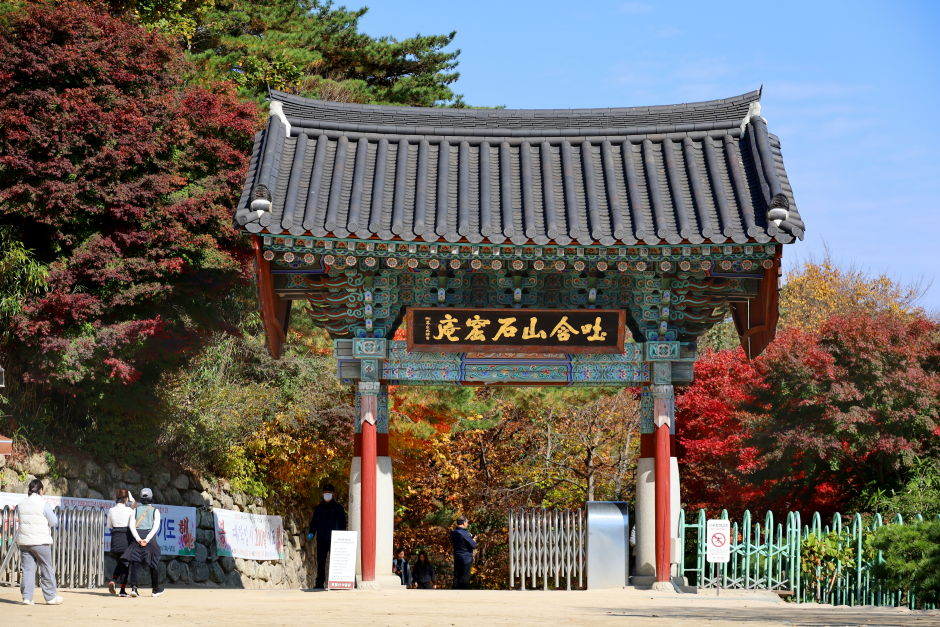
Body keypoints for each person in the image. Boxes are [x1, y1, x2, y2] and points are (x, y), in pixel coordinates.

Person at [16, 479, 63, 605]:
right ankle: (50, 596)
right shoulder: (43, 503)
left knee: (27, 569)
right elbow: (53, 522)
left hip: (24, 542)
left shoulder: (21, 503)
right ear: (40, 490)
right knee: (46, 567)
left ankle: (27, 597)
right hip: (41, 541)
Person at [121, 488, 164, 597]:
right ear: (151, 497)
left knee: (136, 562)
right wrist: (147, 539)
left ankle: (134, 589)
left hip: (137, 538)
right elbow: (155, 528)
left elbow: (131, 526)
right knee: (154, 561)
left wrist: (138, 539)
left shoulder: (135, 510)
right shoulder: (155, 511)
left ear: (140, 498)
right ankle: (155, 589)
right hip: (150, 539)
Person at [307, 483, 347, 589]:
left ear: (333, 494)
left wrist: (341, 535)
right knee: (321, 561)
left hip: (334, 540)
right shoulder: (319, 508)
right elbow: (314, 522)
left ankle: (335, 583)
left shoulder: (338, 508)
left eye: (329, 492)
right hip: (321, 539)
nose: (327, 494)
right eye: (325, 492)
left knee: (335, 561)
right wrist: (312, 532)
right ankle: (320, 583)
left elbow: (343, 522)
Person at [106, 489, 136, 597]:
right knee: (125, 565)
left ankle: (113, 580)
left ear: (116, 499)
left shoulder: (111, 510)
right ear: (126, 499)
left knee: (120, 563)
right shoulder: (129, 511)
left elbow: (109, 525)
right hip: (126, 539)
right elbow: (133, 524)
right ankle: (122, 591)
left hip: (115, 540)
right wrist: (133, 503)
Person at [449, 515, 476, 589]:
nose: (467, 524)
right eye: (467, 522)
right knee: (464, 577)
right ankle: (462, 592)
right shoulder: (465, 533)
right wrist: (473, 540)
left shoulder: (453, 532)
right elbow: (473, 545)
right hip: (466, 558)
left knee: (456, 577)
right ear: (464, 523)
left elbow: (452, 541)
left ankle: (454, 591)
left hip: (457, 557)